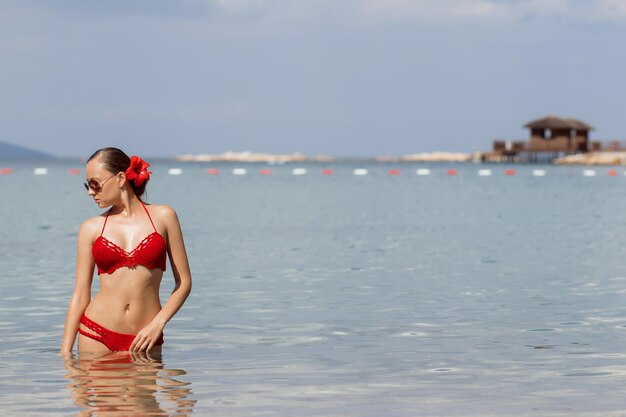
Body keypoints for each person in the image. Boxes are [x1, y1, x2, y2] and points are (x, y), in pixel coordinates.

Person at [61, 147, 192, 352]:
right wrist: (65, 354)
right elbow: (80, 293)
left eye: (95, 184)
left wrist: (159, 323)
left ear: (121, 178)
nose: (90, 191)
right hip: (96, 335)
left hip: (146, 339)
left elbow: (183, 283)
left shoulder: (164, 216)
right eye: (87, 185)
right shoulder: (91, 228)